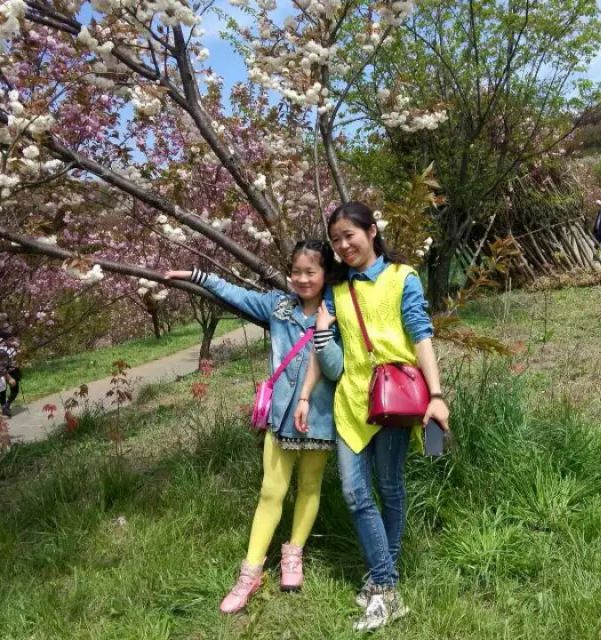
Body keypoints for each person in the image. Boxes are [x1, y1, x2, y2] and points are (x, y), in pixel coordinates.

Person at [165, 240, 343, 614]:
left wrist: (325, 331)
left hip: (319, 417)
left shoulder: (338, 312)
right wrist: (195, 275)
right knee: (270, 491)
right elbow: (236, 294)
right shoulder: (278, 307)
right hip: (280, 417)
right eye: (296, 271)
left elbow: (335, 369)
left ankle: (294, 553)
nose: (302, 279)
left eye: (311, 272)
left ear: (326, 273)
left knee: (310, 487)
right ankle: (250, 572)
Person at [295, 202, 449, 632]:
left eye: (350, 235)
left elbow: (421, 335)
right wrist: (305, 396)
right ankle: (385, 584)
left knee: (390, 489)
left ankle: (383, 585)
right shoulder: (337, 290)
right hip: (352, 403)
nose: (344, 245)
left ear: (372, 231)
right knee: (354, 494)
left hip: (395, 400)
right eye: (336, 240)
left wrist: (436, 395)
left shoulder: (403, 277)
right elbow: (322, 347)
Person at [0, 319, 21, 418]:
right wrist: (8, 377)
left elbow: (18, 355)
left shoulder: (13, 344)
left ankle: (6, 405)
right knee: (2, 388)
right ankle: (4, 407)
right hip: (5, 371)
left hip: (13, 369)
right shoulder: (2, 349)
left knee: (14, 390)